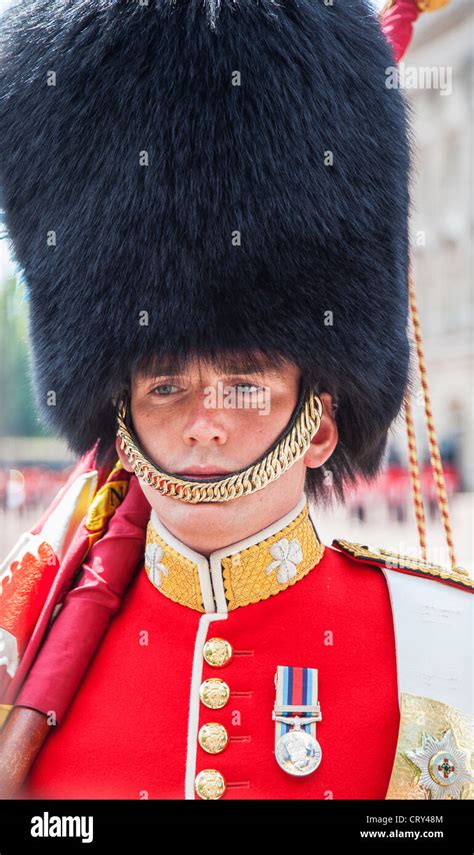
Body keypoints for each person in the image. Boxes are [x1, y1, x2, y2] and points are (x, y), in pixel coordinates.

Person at [0, 0, 471, 801]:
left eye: (247, 383)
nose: (204, 420)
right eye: (165, 384)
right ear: (120, 415)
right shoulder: (31, 654)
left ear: (318, 424)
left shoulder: (446, 646)